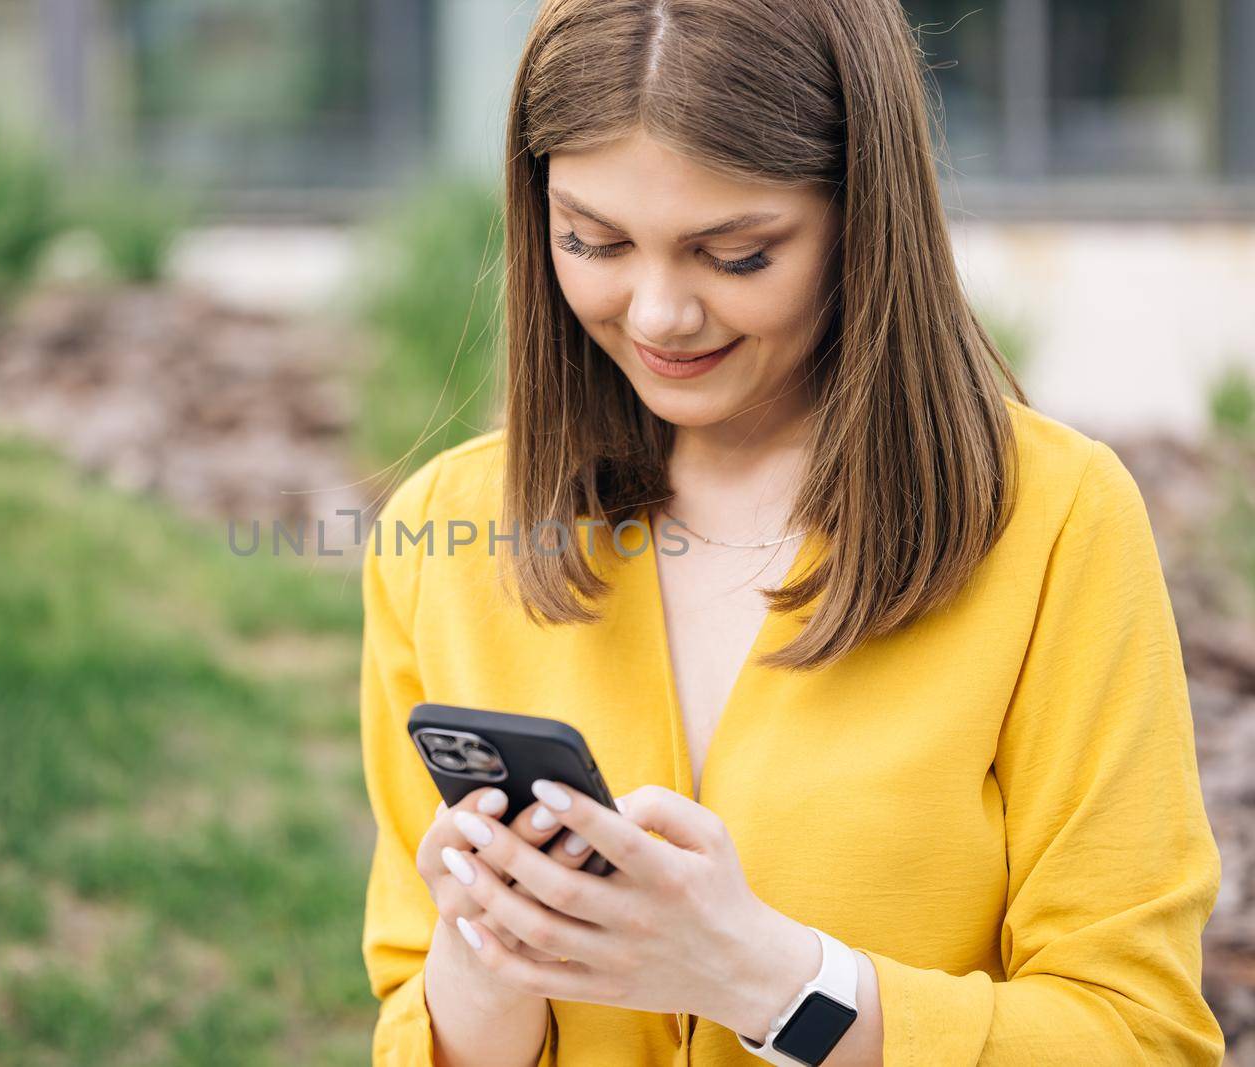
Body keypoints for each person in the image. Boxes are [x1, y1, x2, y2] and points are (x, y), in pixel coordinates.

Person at [357, 0, 1225, 1064]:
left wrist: (772, 981)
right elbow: (413, 1011)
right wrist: (485, 960)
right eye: (592, 240)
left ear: (863, 215)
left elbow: (1139, 1035)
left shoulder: (1051, 523)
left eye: (735, 254)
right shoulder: (442, 534)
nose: (658, 313)